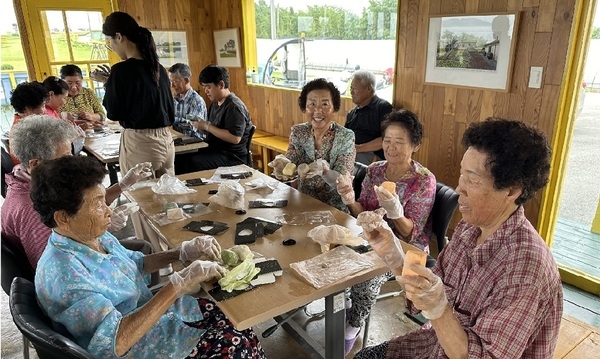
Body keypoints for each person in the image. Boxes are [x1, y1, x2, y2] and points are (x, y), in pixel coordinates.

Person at [355, 118, 563, 359]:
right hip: (434, 344)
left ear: (511, 190)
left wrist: (440, 310)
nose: (458, 189)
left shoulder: (525, 269)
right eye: (462, 174)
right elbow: (427, 293)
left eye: (473, 180)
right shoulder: (470, 228)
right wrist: (394, 256)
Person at [31, 155, 266, 358]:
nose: (109, 210)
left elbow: (135, 263)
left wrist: (181, 252)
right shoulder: (65, 276)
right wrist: (177, 285)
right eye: (98, 204)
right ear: (63, 218)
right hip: (136, 345)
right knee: (236, 344)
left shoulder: (90, 236)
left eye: (105, 199)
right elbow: (115, 343)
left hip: (151, 316)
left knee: (236, 321)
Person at [336, 109, 436, 354]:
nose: (391, 147)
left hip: (406, 249)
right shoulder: (375, 171)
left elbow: (412, 233)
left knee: (367, 272)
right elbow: (363, 212)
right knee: (334, 250)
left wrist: (396, 212)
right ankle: (347, 299)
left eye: (400, 141)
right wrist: (348, 197)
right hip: (370, 237)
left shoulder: (423, 180)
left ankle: (354, 323)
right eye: (387, 140)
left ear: (416, 145)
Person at [1, 115, 154, 270]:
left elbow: (81, 203)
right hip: (73, 268)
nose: (72, 162)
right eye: (65, 158)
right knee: (141, 252)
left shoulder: (26, 175)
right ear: (36, 164)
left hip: (74, 253)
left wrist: (123, 184)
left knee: (142, 248)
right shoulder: (32, 208)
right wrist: (100, 227)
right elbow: (55, 264)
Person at [100, 11, 176, 177]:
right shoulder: (159, 69)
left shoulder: (120, 70)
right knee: (168, 197)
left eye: (109, 41)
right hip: (166, 141)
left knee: (140, 198)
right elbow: (170, 110)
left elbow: (114, 112)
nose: (111, 47)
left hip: (140, 144)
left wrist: (109, 85)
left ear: (119, 37)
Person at [286, 78, 356, 212]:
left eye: (325, 104)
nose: (317, 110)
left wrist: (326, 171)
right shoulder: (298, 132)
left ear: (334, 108)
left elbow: (343, 178)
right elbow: (290, 165)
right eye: (311, 104)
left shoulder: (345, 136)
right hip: (303, 203)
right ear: (304, 107)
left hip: (333, 208)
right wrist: (282, 163)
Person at [177, 65, 253, 173]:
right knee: (179, 158)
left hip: (232, 157)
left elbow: (235, 138)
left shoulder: (234, 106)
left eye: (208, 87)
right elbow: (214, 130)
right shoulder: (215, 104)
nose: (206, 91)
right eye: (204, 87)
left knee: (189, 163)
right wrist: (201, 127)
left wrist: (207, 126)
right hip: (215, 150)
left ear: (221, 84)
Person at [345, 70, 393, 165]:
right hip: (352, 152)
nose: (351, 92)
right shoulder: (352, 113)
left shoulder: (383, 107)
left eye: (354, 88)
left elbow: (388, 138)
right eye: (350, 88)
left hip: (373, 157)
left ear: (368, 88)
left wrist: (359, 148)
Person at [41, 75, 87, 154]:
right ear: (51, 94)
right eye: (64, 98)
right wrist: (73, 133)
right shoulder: (45, 114)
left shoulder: (53, 111)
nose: (65, 102)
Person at [8, 81, 49, 165]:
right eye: (43, 106)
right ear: (28, 108)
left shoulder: (25, 122)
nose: (45, 111)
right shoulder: (26, 129)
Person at [168, 63, 207, 139]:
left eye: (175, 82)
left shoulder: (197, 101)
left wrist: (171, 120)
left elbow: (192, 125)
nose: (172, 86)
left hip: (195, 142)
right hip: (179, 139)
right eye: (170, 81)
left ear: (186, 80)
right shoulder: (174, 99)